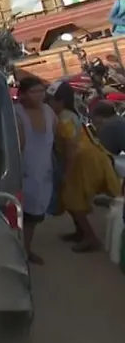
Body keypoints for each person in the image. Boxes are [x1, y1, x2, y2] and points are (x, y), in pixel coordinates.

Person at [48, 80, 120, 253]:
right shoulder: (69, 114)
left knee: (75, 201)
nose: (48, 103)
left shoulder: (64, 120)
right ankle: (80, 232)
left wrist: (67, 173)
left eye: (51, 100)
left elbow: (71, 149)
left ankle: (90, 238)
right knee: (71, 199)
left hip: (83, 162)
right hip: (91, 157)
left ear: (61, 101)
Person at [14, 77, 56, 264]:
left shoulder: (49, 113)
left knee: (33, 219)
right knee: (15, 216)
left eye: (41, 91)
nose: (39, 96)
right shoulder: (16, 114)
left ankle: (26, 251)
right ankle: (14, 253)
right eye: (33, 92)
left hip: (42, 173)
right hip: (21, 173)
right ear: (22, 95)